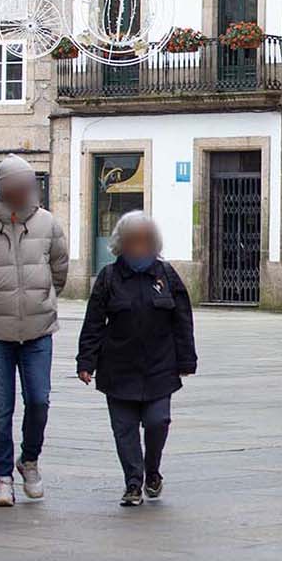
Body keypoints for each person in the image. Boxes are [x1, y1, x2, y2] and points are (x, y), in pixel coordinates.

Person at [0, 154, 69, 507]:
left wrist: (43, 298)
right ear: (3, 188)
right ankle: (2, 476)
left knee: (39, 400)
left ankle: (29, 460)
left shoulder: (48, 224)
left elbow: (60, 269)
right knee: (0, 408)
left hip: (38, 329)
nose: (24, 191)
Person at [76, 211, 197, 507]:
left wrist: (186, 360)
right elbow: (94, 322)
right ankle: (133, 482)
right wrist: (86, 362)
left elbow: (182, 319)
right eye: (133, 241)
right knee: (125, 430)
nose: (139, 246)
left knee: (158, 422)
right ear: (121, 244)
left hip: (160, 367)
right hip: (118, 368)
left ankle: (152, 471)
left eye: (144, 240)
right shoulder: (109, 277)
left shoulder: (166, 275)